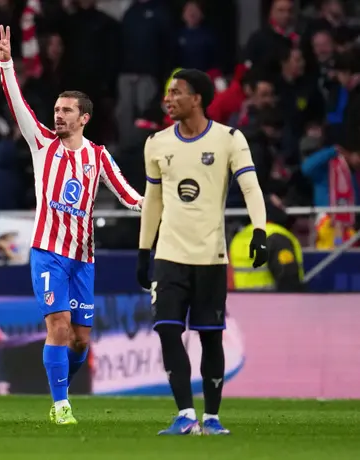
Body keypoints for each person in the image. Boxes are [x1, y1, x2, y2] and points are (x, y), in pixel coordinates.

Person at [0, 25, 143, 425]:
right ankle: (61, 405)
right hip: (48, 253)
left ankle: (59, 386)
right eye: (57, 110)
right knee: (58, 327)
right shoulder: (42, 144)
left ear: (84, 118)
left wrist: (155, 208)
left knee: (80, 340)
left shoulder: (98, 156)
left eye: (66, 111)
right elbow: (18, 105)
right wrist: (6, 64)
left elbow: (128, 195)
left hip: (83, 258)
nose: (58, 115)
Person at [136, 68, 268, 435]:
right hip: (169, 255)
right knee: (167, 330)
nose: (168, 99)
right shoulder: (156, 143)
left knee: (210, 336)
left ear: (197, 99)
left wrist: (259, 231)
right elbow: (153, 200)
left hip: (210, 256)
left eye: (176, 92)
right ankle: (185, 415)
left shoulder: (229, 139)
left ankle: (211, 418)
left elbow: (251, 188)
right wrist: (144, 251)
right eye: (168, 92)